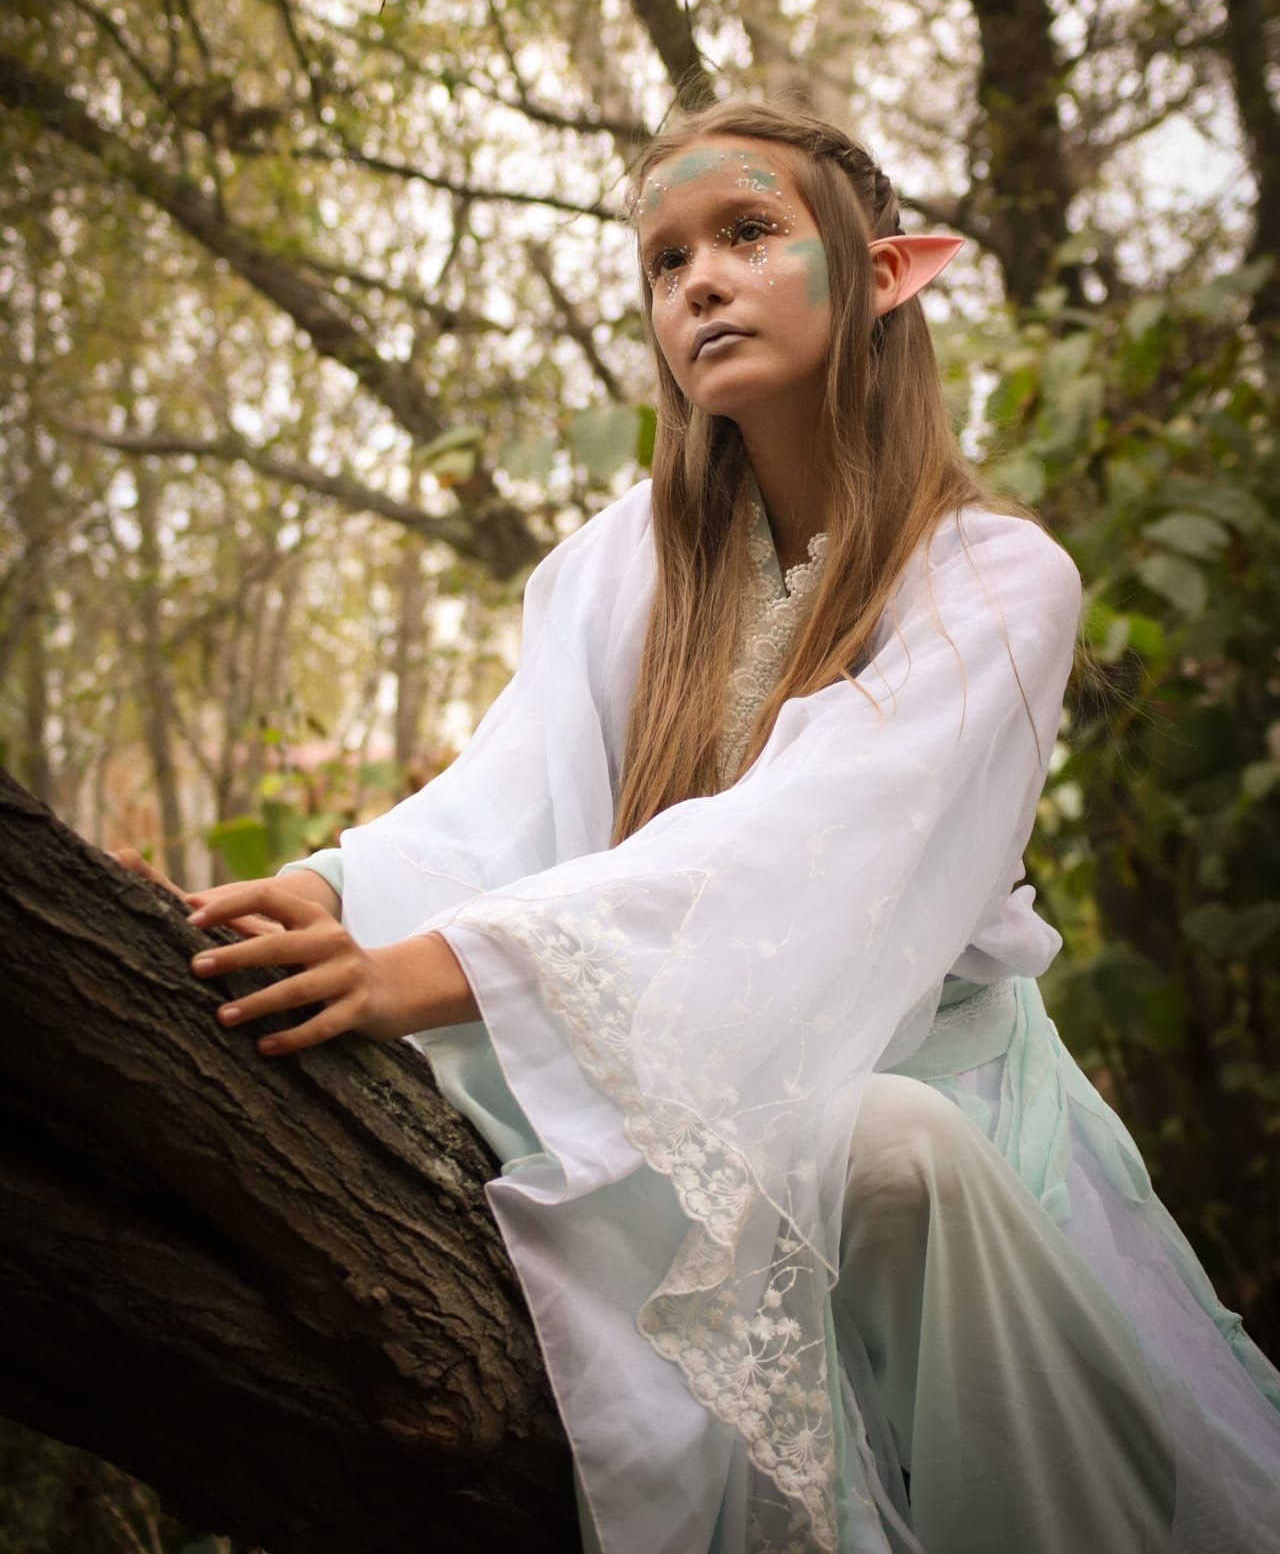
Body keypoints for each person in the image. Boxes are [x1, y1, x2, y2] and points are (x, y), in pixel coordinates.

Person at [115, 102, 1280, 1554]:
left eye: (747, 233)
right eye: (666, 262)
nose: (700, 283)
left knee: (887, 1148)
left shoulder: (996, 582)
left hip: (938, 1116)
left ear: (883, 274)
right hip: (690, 1094)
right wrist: (325, 893)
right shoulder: (621, 565)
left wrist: (428, 972)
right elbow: (504, 798)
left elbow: (797, 849)